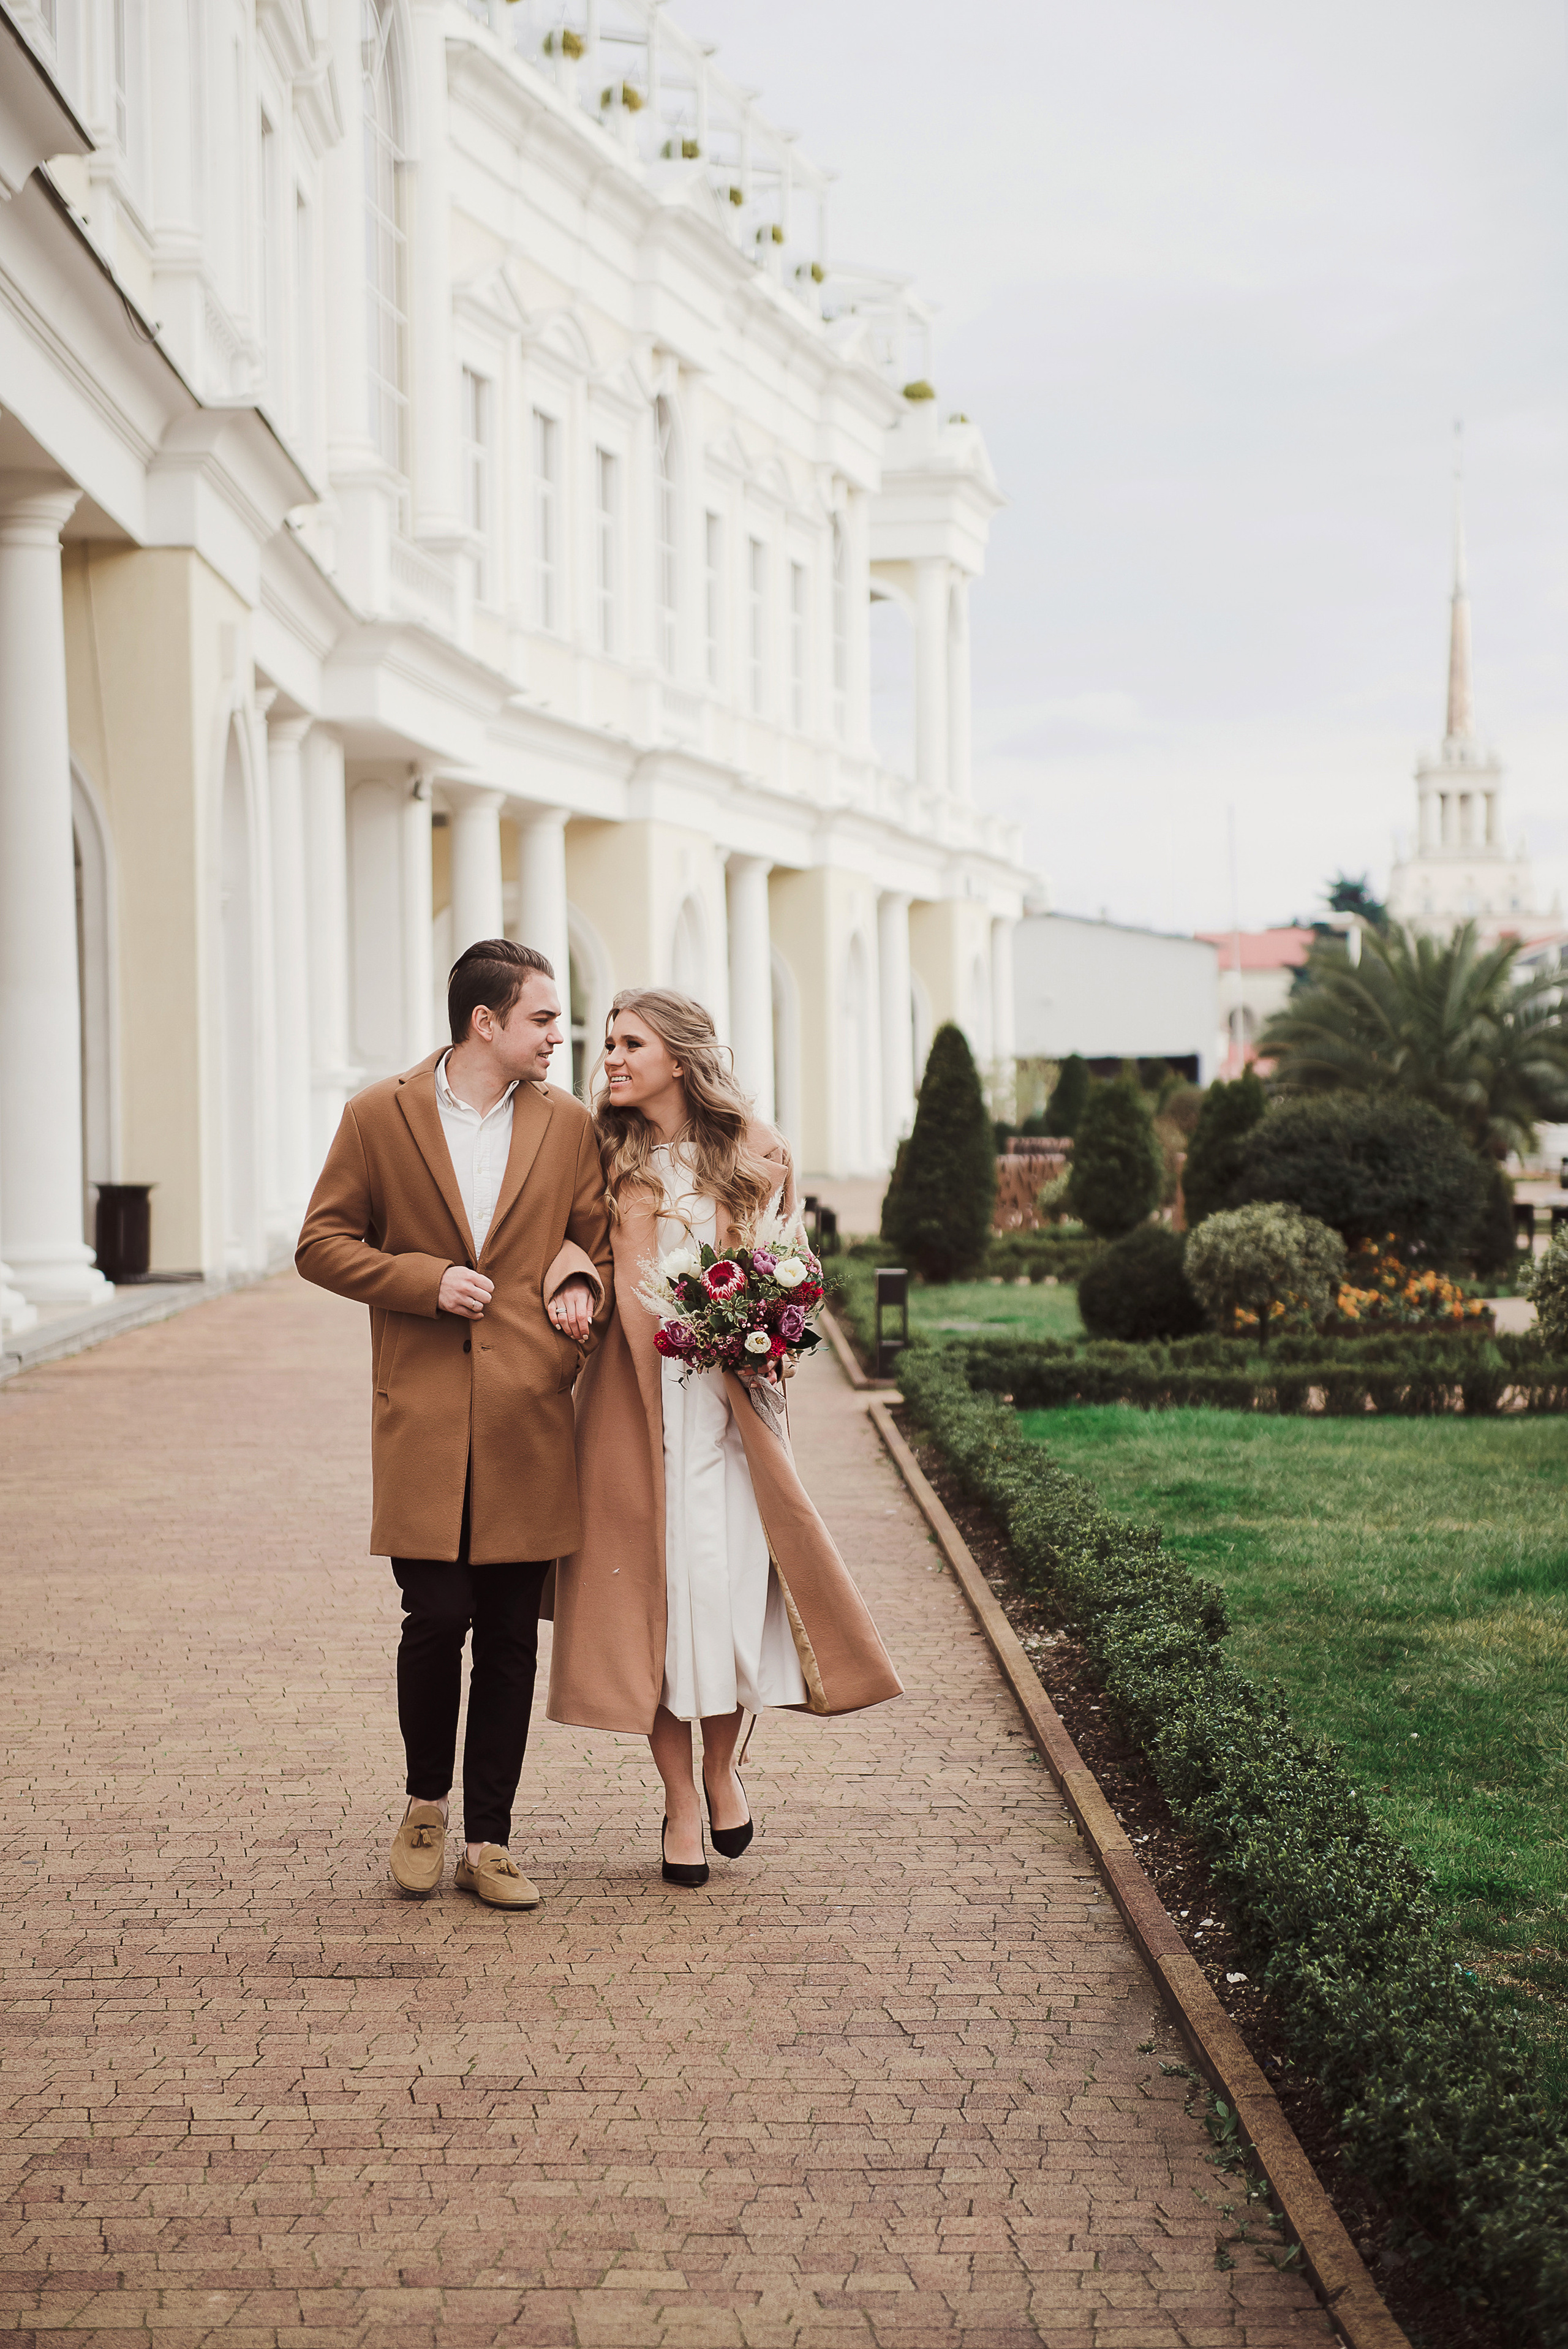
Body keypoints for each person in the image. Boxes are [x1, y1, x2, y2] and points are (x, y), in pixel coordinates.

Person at [547, 987, 901, 1887]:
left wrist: (774, 1331)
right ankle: (678, 1800)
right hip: (634, 1411)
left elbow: (794, 1268)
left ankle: (721, 1768)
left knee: (731, 1604)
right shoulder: (600, 1157)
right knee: (656, 1613)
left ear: (679, 1056)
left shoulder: (758, 1153)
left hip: (733, 1416)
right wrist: (574, 1281)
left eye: (630, 1044)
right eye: (607, 1044)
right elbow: (569, 1246)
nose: (610, 1058)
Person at [296, 940, 612, 1909]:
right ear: (486, 1021)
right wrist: (423, 1281)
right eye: (543, 1019)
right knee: (435, 1618)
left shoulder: (568, 1124)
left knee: (512, 1634)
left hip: (528, 1411)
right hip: (424, 1415)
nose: (558, 1036)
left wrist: (577, 1284)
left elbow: (594, 1239)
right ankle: (425, 1807)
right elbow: (320, 1244)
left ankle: (491, 1841)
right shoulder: (378, 1114)